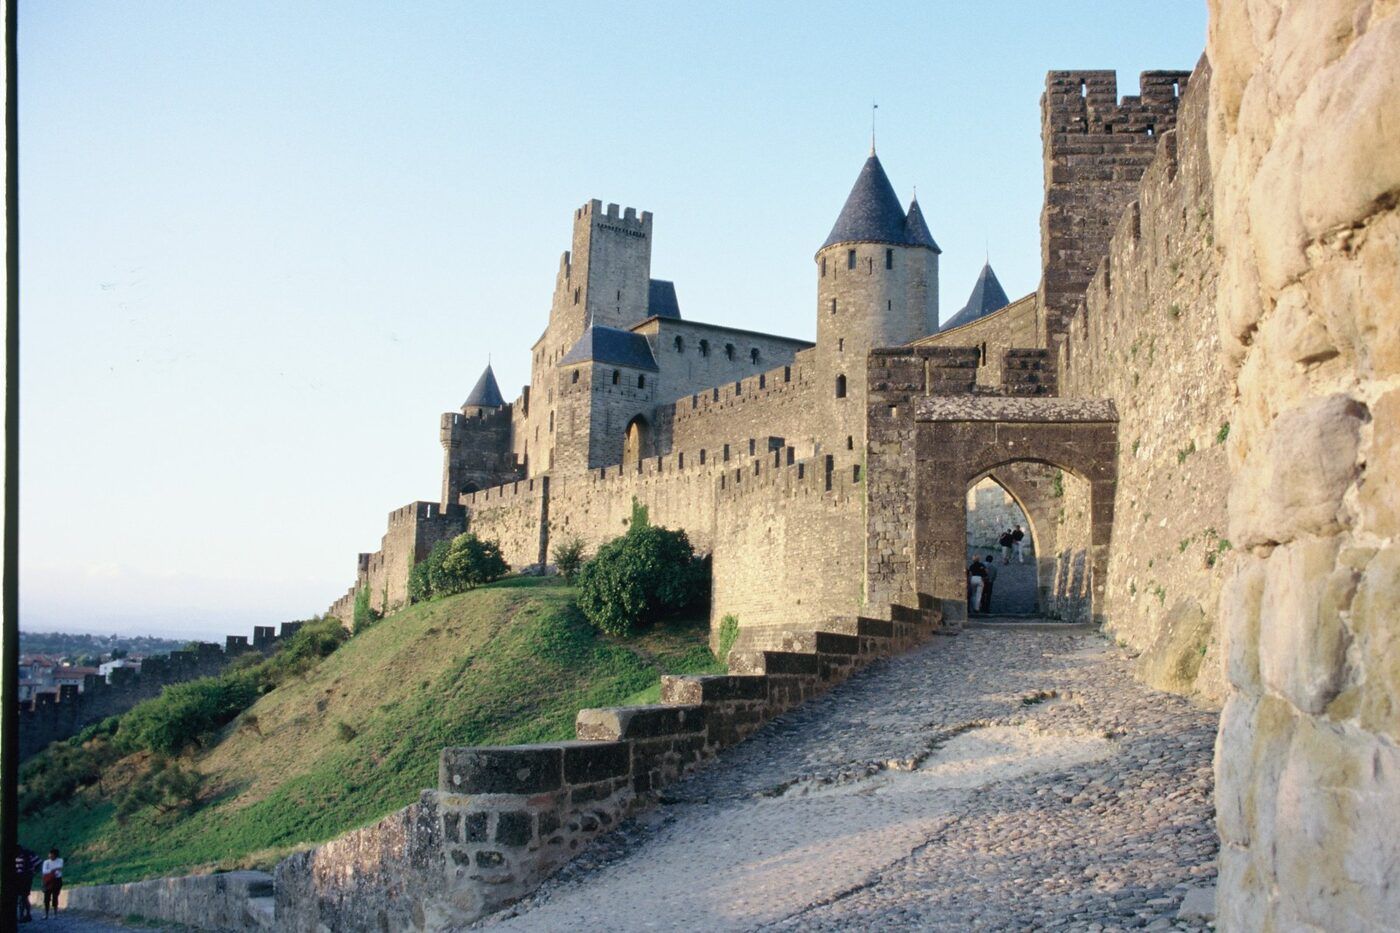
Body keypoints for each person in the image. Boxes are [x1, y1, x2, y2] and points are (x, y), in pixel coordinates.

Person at [15, 845, 36, 923]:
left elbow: (37, 863)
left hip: (26, 879)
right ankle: (26, 914)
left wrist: (31, 873)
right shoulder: (15, 856)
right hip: (18, 879)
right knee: (23, 897)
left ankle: (22, 915)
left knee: (23, 897)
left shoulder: (28, 855)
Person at [40, 849, 62, 919]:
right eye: (50, 854)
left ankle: (55, 914)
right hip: (48, 880)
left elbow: (59, 870)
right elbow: (44, 871)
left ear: (55, 855)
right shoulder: (46, 862)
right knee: (46, 897)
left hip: (57, 880)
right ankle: (46, 914)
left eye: (52, 855)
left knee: (55, 897)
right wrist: (53, 870)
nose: (50, 856)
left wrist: (50, 871)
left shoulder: (60, 860)